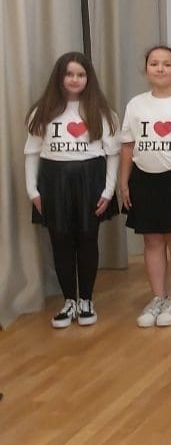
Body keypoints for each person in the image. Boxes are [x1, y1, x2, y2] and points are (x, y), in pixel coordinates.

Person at [25, 52, 120, 328]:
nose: (75, 79)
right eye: (69, 74)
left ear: (89, 78)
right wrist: (33, 190)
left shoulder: (102, 112)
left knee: (88, 238)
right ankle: (69, 300)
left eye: (80, 74)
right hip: (53, 182)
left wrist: (108, 190)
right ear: (59, 77)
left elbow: (113, 154)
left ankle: (86, 299)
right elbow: (32, 152)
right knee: (60, 240)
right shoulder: (42, 111)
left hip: (90, 180)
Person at [119, 46, 171, 328]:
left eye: (167, 64)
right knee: (152, 241)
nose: (160, 68)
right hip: (144, 178)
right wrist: (124, 182)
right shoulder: (135, 104)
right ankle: (158, 296)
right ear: (146, 69)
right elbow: (128, 145)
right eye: (154, 63)